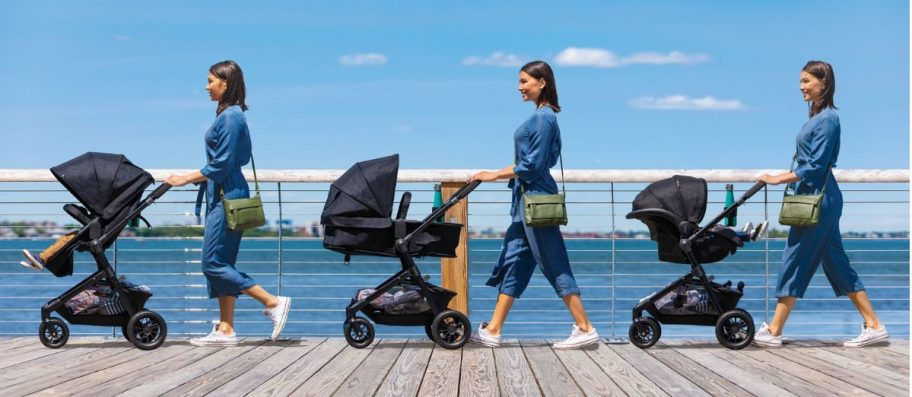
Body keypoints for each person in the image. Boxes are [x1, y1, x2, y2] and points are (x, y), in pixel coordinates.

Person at [755, 60, 887, 348]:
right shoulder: (817, 117)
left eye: (806, 81)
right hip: (816, 197)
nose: (801, 87)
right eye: (801, 81)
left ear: (823, 83)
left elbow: (816, 166)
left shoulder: (828, 119)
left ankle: (774, 331)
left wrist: (778, 179)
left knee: (795, 258)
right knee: (837, 264)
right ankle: (874, 325)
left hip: (818, 200)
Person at [468, 60, 598, 349]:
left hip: (536, 201)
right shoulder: (541, 116)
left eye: (524, 81)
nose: (520, 87)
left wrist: (493, 174)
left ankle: (585, 327)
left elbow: (533, 164)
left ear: (542, 82)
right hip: (524, 202)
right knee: (514, 261)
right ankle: (493, 330)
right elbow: (528, 163)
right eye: (520, 81)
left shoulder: (544, 118)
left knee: (553, 261)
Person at [165, 60, 290, 346]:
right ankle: (226, 329)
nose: (206, 86)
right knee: (223, 262)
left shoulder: (232, 117)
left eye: (211, 81)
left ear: (226, 83)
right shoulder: (228, 115)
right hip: (223, 193)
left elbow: (222, 164)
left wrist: (185, 178)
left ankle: (272, 302)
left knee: (211, 263)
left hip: (227, 196)